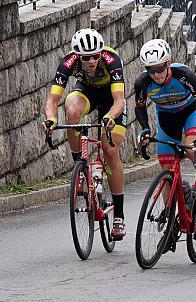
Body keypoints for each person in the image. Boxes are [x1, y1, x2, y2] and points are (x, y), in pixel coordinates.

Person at [43, 28, 127, 240]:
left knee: (109, 150)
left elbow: (120, 100)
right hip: (87, 93)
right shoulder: (68, 63)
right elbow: (52, 101)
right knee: (71, 110)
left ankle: (119, 216)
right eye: (85, 58)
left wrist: (109, 117)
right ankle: (79, 166)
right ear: (77, 56)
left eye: (94, 56)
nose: (90, 61)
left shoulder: (111, 59)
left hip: (111, 99)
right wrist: (51, 119)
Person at [134, 39, 196, 220]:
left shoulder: (183, 74)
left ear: (168, 63)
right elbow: (139, 108)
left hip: (191, 113)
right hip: (167, 118)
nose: (156, 74)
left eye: (160, 68)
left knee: (192, 149)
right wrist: (145, 129)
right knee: (166, 168)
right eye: (150, 70)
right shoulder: (142, 83)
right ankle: (169, 214)